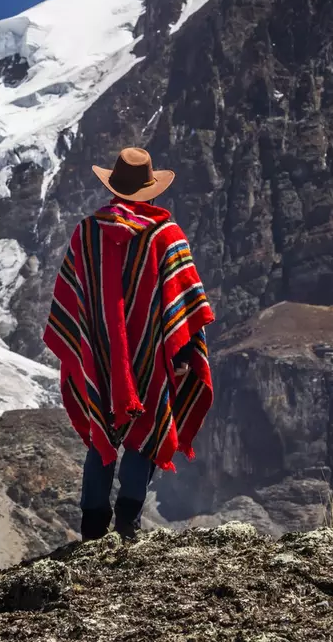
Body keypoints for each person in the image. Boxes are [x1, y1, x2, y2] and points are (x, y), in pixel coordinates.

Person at [42, 147, 215, 541]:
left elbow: (72, 300)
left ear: (114, 189)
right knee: (148, 425)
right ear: (150, 192)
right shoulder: (167, 236)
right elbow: (183, 303)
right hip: (152, 356)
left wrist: (84, 348)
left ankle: (91, 526)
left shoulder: (86, 233)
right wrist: (184, 354)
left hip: (98, 354)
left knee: (101, 426)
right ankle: (127, 523)